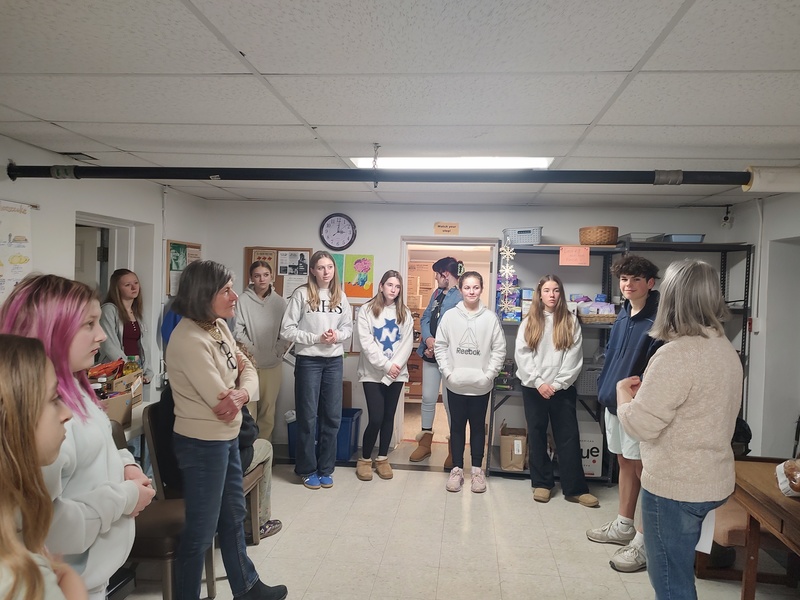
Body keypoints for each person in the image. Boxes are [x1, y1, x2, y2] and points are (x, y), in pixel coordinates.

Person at [0, 275, 155, 600]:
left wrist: (127, 465)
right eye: (88, 324)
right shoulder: (43, 420)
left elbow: (104, 437)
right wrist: (126, 496)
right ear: (51, 330)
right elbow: (46, 524)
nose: (100, 335)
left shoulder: (73, 388)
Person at [616, 259, 742, 599]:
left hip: (675, 488)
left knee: (672, 585)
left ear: (671, 298)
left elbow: (640, 425)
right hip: (710, 480)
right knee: (681, 573)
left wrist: (623, 397)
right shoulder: (725, 350)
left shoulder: (676, 355)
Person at [166, 260, 287, 600]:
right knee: (201, 534)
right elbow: (220, 397)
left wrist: (245, 391)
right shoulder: (189, 338)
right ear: (204, 295)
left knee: (233, 517)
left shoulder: (217, 325)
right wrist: (239, 390)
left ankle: (247, 587)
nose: (235, 296)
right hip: (202, 445)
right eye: (226, 290)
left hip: (227, 438)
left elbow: (246, 366)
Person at [586, 255, 662, 573]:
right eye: (623, 280)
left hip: (637, 408)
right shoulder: (622, 313)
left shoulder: (658, 321)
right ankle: (623, 525)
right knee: (623, 462)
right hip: (612, 403)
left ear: (650, 284)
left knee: (643, 469)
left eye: (634, 280)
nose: (627, 285)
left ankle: (644, 542)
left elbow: (656, 371)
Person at [0, 334, 87, 600]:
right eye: (53, 399)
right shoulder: (18, 578)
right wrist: (70, 585)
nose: (67, 413)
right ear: (11, 420)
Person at [515, 275, 598, 508]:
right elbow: (523, 355)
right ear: (539, 294)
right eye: (547, 290)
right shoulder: (529, 321)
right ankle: (542, 483)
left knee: (568, 437)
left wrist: (558, 383)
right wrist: (539, 382)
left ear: (560, 294)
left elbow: (574, 357)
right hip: (534, 388)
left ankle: (575, 489)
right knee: (538, 434)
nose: (552, 295)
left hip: (562, 389)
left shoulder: (570, 321)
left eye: (556, 290)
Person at [280, 250, 352, 490]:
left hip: (333, 361)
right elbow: (287, 330)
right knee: (308, 417)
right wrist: (315, 338)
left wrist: (336, 336)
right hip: (308, 361)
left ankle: (326, 469)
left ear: (334, 270)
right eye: (321, 267)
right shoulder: (301, 294)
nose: (326, 272)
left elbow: (347, 329)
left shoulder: (340, 296)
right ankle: (306, 469)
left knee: (332, 417)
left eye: (329, 267)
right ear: (312, 270)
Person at [434, 271, 505, 493]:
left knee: (476, 428)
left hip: (480, 386)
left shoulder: (490, 318)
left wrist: (488, 375)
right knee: (456, 428)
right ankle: (457, 470)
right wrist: (448, 373)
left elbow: (499, 349)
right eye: (467, 287)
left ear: (481, 289)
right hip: (455, 384)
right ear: (461, 289)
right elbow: (440, 346)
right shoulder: (449, 316)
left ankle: (476, 471)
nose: (471, 291)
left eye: (475, 287)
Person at [355, 270, 414, 481]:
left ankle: (382, 459)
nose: (393, 290)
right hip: (372, 373)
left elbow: (407, 343)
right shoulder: (367, 310)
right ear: (381, 286)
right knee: (376, 418)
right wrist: (386, 365)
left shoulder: (404, 313)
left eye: (397, 287)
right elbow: (366, 343)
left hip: (397, 374)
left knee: (388, 417)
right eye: (390, 285)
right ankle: (364, 460)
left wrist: (393, 368)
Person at [411, 256, 463, 465]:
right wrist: (429, 339)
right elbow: (424, 319)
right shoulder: (436, 294)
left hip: (450, 358)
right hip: (430, 354)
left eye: (437, 274)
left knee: (451, 404)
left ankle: (454, 450)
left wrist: (437, 345)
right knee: (428, 398)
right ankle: (424, 444)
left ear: (446, 274)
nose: (435, 278)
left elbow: (458, 328)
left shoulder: (460, 297)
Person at [233, 261, 288, 441]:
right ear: (251, 278)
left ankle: (265, 455)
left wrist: (276, 351)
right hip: (249, 365)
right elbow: (237, 332)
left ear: (271, 276)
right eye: (257, 275)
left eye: (265, 274)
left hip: (273, 365)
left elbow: (286, 332)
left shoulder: (280, 302)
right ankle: (250, 453)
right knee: (249, 411)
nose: (261, 279)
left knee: (268, 411)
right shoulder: (242, 300)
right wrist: (253, 352)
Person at [98, 268, 153, 383]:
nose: (134, 287)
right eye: (128, 285)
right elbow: (109, 346)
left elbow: (144, 346)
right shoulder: (109, 310)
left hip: (137, 367)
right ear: (117, 289)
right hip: (117, 368)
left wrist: (148, 371)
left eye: (136, 283)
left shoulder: (138, 313)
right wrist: (128, 367)